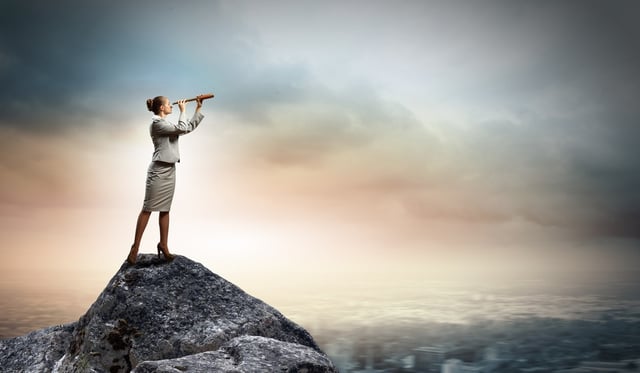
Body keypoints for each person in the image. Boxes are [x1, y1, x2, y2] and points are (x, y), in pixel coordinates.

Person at [126, 95, 205, 264]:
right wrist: (184, 111)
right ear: (161, 108)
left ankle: (164, 244)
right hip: (158, 171)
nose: (172, 106)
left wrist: (197, 108)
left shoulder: (167, 124)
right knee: (147, 208)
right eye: (169, 104)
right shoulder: (157, 124)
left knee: (165, 210)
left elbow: (186, 128)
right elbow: (182, 127)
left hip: (170, 170)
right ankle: (135, 247)